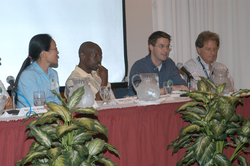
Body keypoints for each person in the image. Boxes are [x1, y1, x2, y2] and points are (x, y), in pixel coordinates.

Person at [128, 31, 188, 96]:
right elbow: (143, 92)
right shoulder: (139, 67)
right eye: (161, 46)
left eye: (167, 46)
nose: (165, 50)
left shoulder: (169, 63)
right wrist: (168, 89)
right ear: (151, 47)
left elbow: (182, 86)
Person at [15, 34, 61, 108]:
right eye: (55, 48)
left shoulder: (53, 74)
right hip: (30, 118)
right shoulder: (28, 75)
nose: (57, 52)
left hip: (50, 115)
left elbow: (57, 100)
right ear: (43, 54)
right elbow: (36, 105)